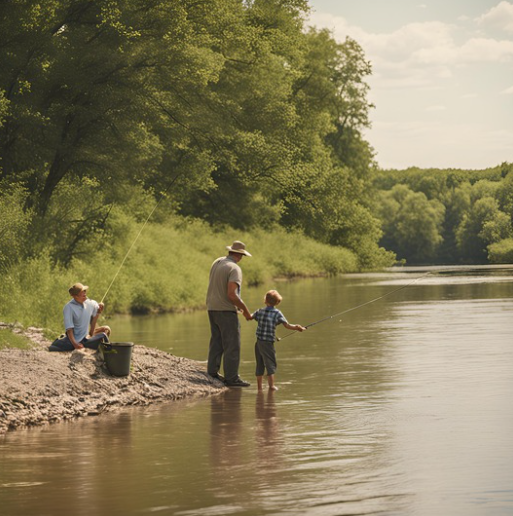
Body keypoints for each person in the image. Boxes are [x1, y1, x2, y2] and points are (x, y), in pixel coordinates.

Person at [206, 241, 253, 387]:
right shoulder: (235, 269)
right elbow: (232, 295)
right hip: (226, 310)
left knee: (217, 341)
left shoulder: (217, 262)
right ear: (239, 255)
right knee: (232, 345)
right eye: (242, 256)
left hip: (212, 307)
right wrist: (245, 311)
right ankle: (232, 378)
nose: (242, 258)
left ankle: (212, 372)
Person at [250, 290, 306, 391]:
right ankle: (271, 387)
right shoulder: (277, 313)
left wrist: (241, 311)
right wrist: (298, 327)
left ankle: (259, 389)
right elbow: (287, 326)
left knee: (260, 364)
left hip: (258, 343)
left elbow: (250, 317)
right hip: (267, 344)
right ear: (277, 302)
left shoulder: (260, 312)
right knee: (271, 364)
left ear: (265, 300)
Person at [48, 283, 111, 351]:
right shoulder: (69, 307)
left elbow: (93, 325)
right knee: (52, 348)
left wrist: (98, 312)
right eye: (82, 292)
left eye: (84, 291)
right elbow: (69, 330)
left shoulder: (89, 303)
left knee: (105, 331)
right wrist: (75, 344)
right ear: (75, 296)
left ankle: (105, 351)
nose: (84, 293)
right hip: (75, 341)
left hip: (86, 338)